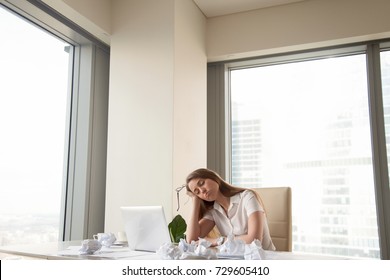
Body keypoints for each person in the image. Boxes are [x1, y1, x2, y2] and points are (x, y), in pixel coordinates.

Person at [185, 168, 275, 251]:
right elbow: (192, 240)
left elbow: (254, 240)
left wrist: (218, 241)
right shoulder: (213, 211)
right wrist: (195, 202)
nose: (202, 191)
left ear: (213, 178)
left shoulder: (247, 197)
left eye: (201, 183)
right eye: (197, 192)